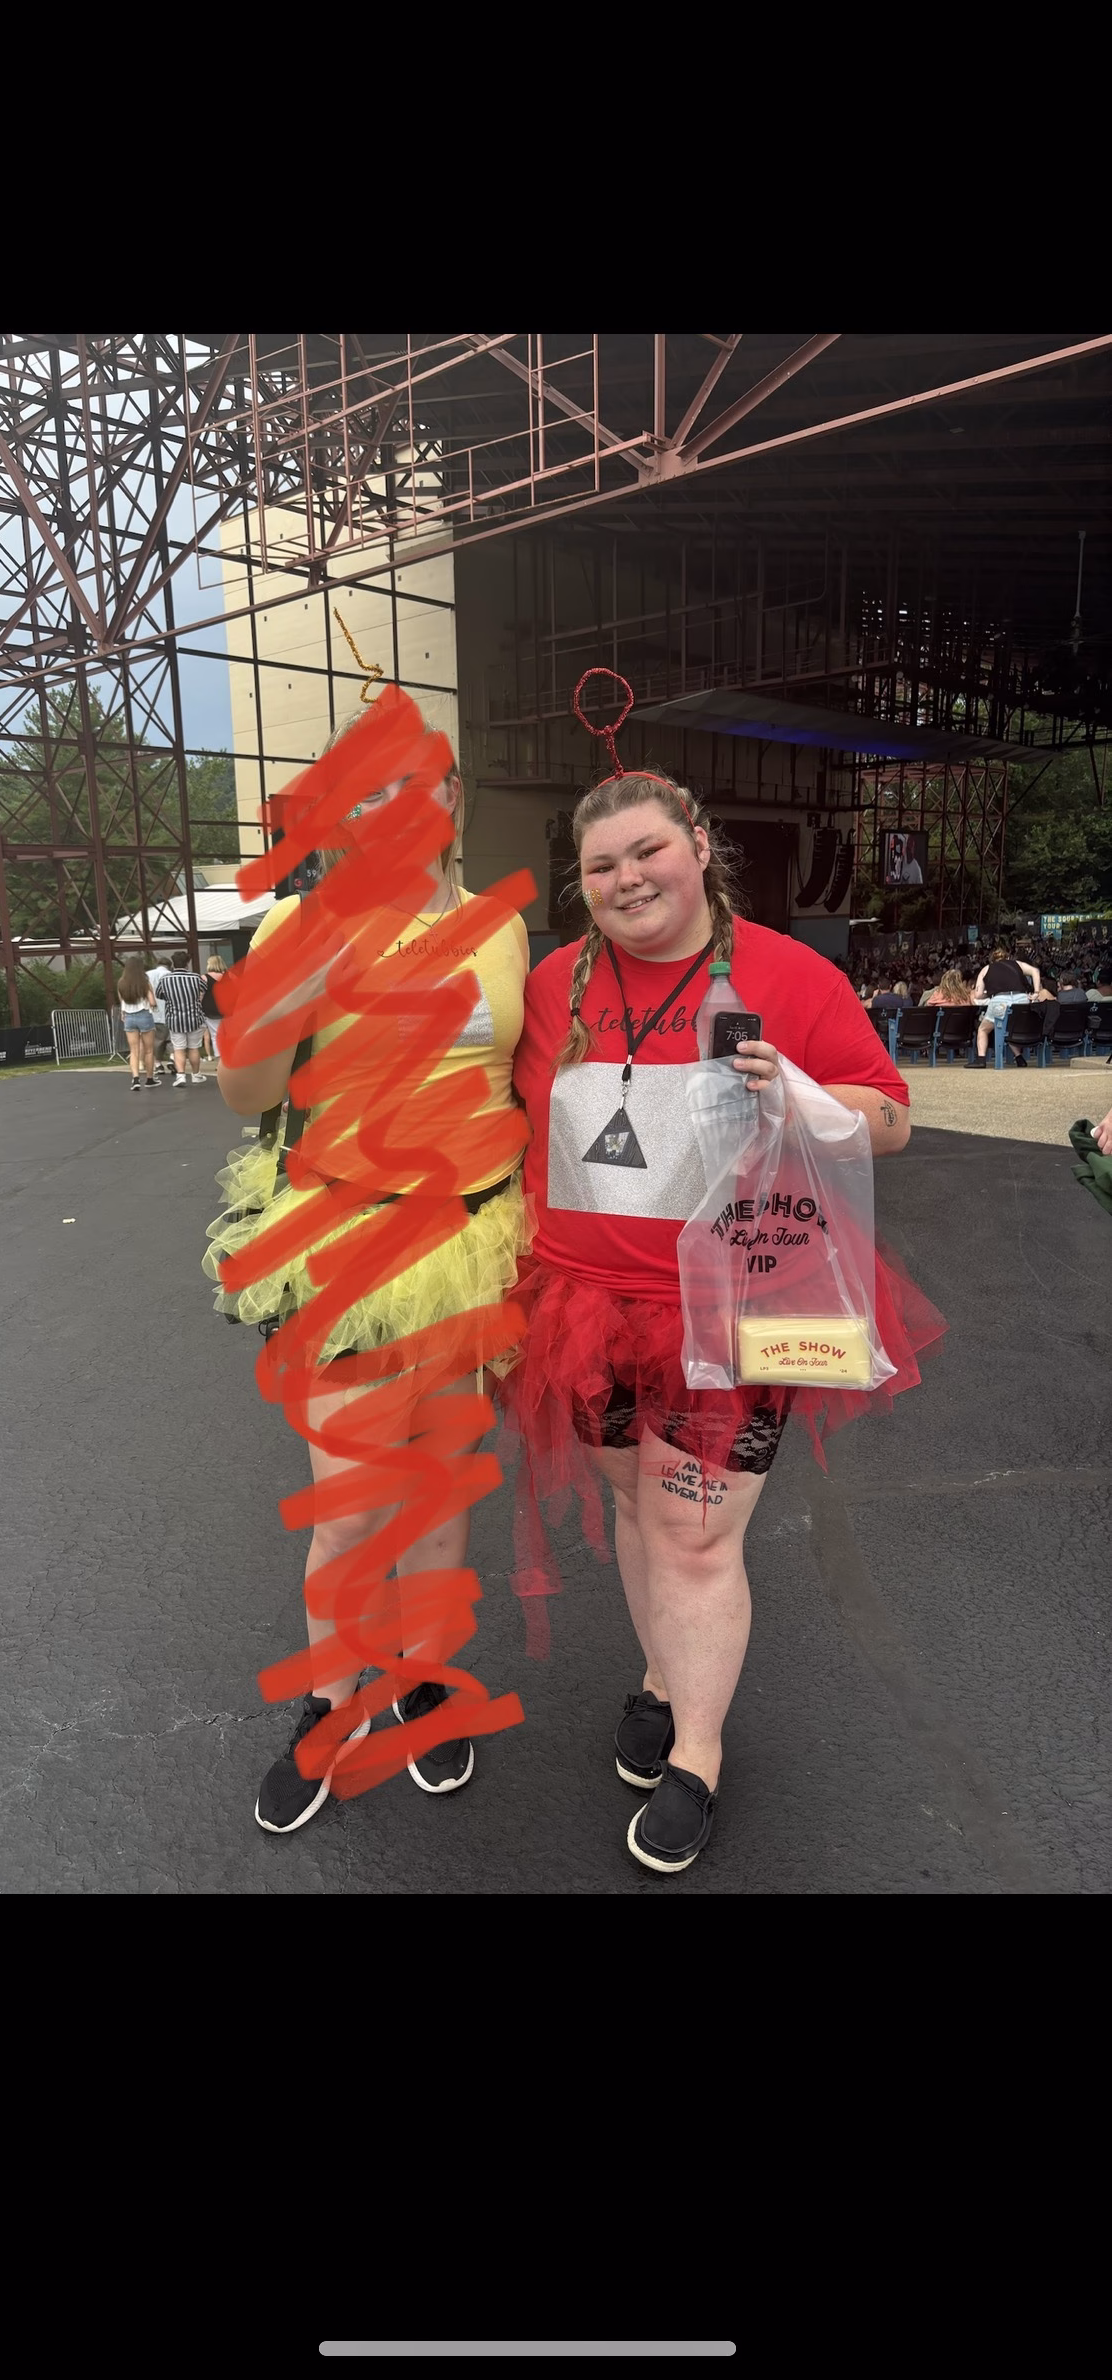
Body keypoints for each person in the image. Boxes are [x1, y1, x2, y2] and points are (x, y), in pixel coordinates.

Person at [498, 762, 945, 1878]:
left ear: (700, 846)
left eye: (648, 850)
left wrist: (804, 1095)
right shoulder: (553, 983)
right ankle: (660, 1677)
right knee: (637, 1512)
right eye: (601, 865)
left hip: (735, 1310)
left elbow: (892, 1118)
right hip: (581, 1309)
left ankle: (695, 1754)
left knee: (695, 1536)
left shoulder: (791, 974)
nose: (627, 878)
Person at [206, 704, 530, 1834]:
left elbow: (513, 1075)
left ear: (451, 799)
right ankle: (331, 1702)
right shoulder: (300, 921)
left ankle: (423, 1678)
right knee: (351, 1508)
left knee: (442, 1486)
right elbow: (245, 1094)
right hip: (352, 1246)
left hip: (473, 1242)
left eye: (414, 784)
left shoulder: (498, 927)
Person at [972, 940, 1041, 1068]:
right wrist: (1036, 992)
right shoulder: (1017, 964)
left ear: (992, 960)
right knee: (1009, 1027)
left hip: (999, 1001)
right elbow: (1035, 971)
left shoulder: (986, 969)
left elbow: (978, 995)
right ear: (1007, 957)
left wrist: (990, 993)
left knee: (983, 1029)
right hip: (1021, 999)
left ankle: (981, 1059)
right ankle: (1018, 1057)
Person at [161, 951, 209, 1086]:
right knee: (193, 1048)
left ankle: (180, 1076)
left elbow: (160, 994)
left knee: (178, 1049)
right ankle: (196, 1075)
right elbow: (204, 989)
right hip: (194, 1017)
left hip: (175, 1019)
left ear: (173, 964)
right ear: (187, 963)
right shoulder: (196, 977)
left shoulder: (165, 979)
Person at [117, 955, 160, 1089]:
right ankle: (149, 1079)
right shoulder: (144, 982)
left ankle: (135, 1079)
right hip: (144, 1015)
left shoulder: (121, 983)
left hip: (129, 1017)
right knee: (149, 1050)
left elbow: (122, 1001)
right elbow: (152, 1001)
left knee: (134, 1051)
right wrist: (153, 1004)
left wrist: (123, 1013)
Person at [147, 961, 173, 1073]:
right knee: (173, 1038)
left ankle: (158, 1064)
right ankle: (172, 1058)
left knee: (158, 1040)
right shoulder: (171, 975)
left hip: (154, 1012)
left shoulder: (147, 975)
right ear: (169, 966)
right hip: (170, 1011)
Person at [200, 954, 226, 1062]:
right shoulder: (229, 976)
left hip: (210, 1010)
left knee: (215, 1036)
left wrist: (198, 1006)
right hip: (227, 1009)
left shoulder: (204, 978)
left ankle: (220, 1060)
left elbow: (200, 994)